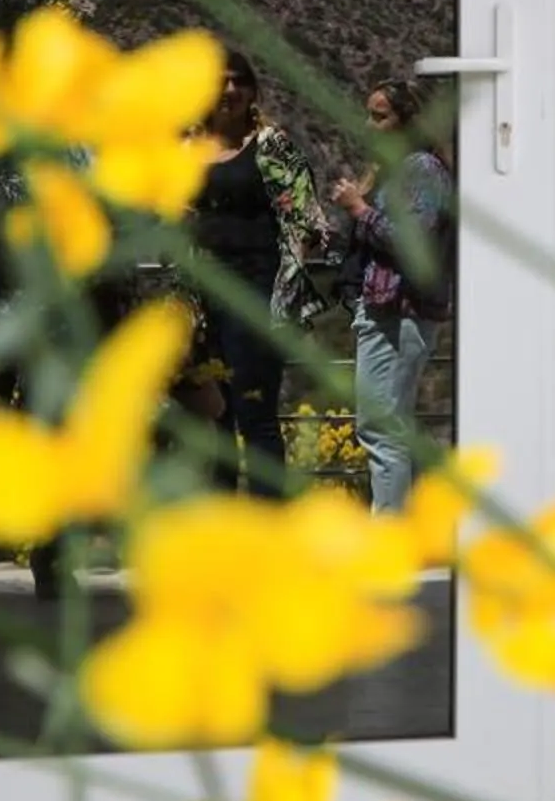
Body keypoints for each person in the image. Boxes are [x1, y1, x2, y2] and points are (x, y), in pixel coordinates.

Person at [186, 50, 324, 491]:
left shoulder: (271, 145)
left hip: (257, 292)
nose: (230, 91)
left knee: (254, 412)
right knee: (214, 415)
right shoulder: (188, 147)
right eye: (221, 81)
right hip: (202, 298)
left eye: (239, 81)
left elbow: (306, 218)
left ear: (253, 90)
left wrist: (288, 294)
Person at [331, 80, 454, 512]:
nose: (369, 124)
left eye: (379, 116)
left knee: (381, 429)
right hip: (383, 308)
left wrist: (359, 210)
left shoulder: (421, 169)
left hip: (400, 312)